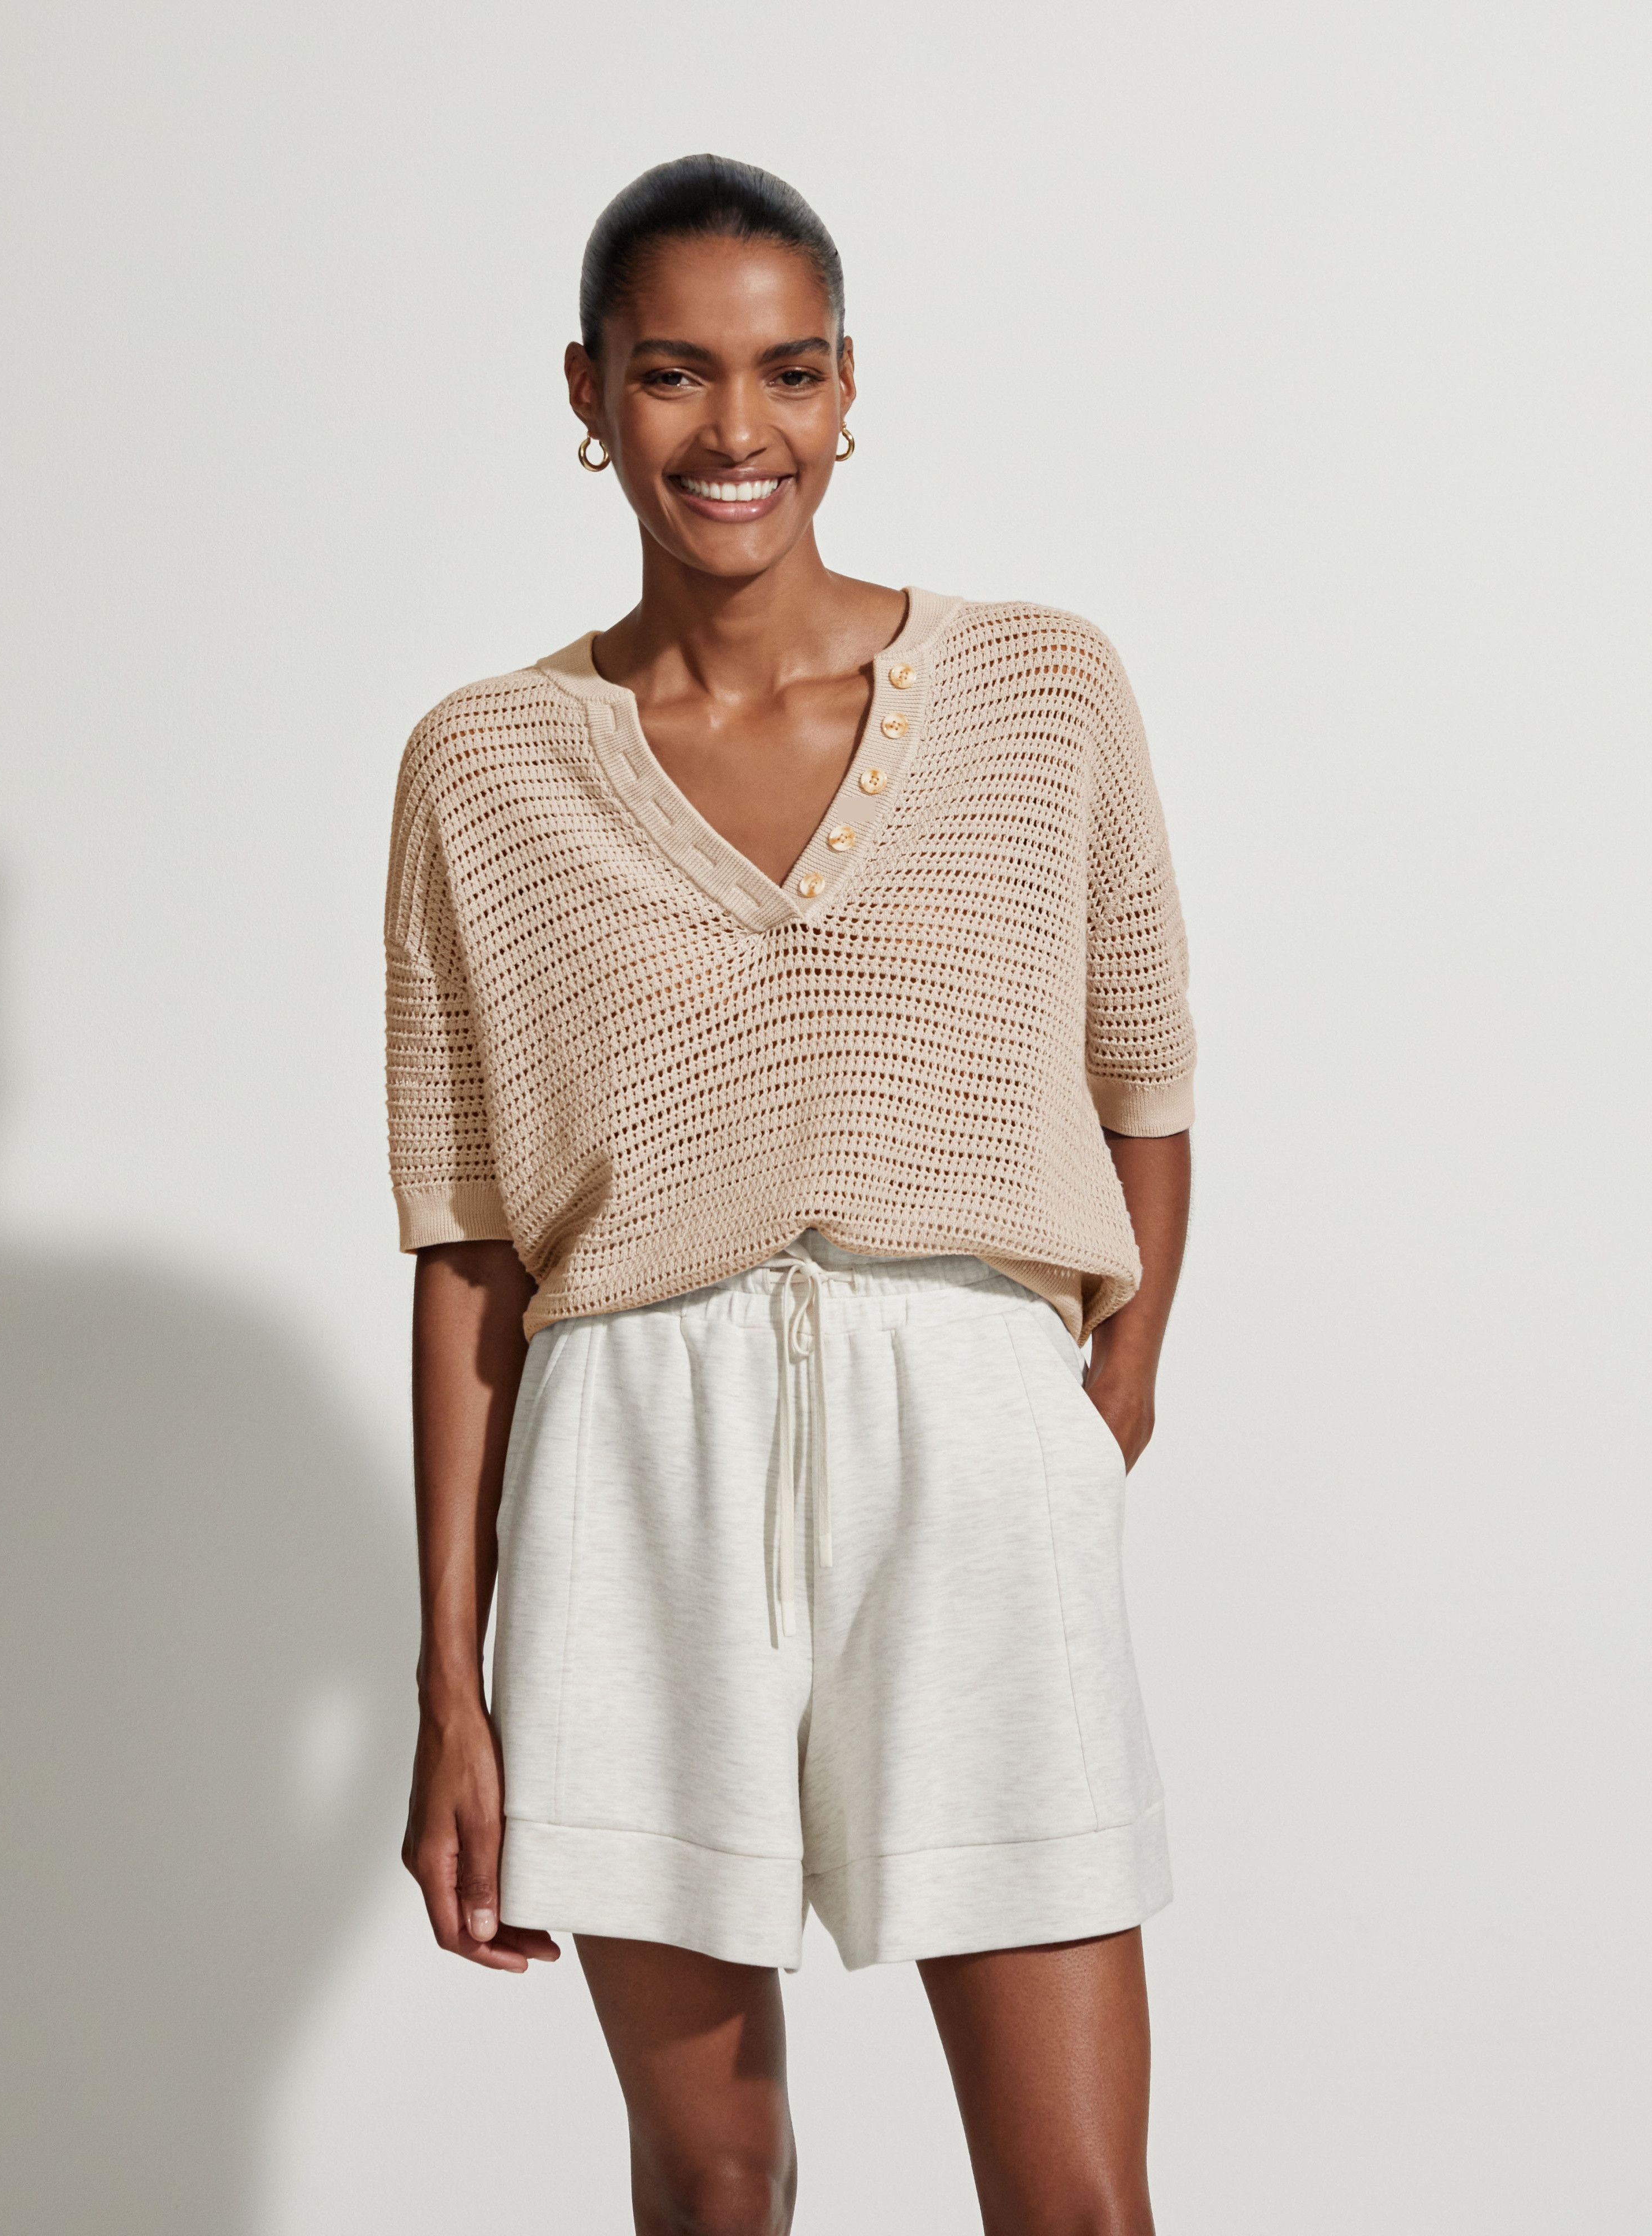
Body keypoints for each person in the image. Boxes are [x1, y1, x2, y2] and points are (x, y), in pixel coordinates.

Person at [386, 153, 1194, 2236]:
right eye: (673, 373)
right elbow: (470, 1238)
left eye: (789, 371)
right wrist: (452, 1685)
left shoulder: (1042, 692)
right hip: (634, 1454)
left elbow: (1145, 1077)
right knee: (714, 2176)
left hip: (972, 1443)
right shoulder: (485, 763)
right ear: (590, 392)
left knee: (1076, 2199)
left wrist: (1097, 1406)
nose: (735, 430)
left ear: (848, 387)